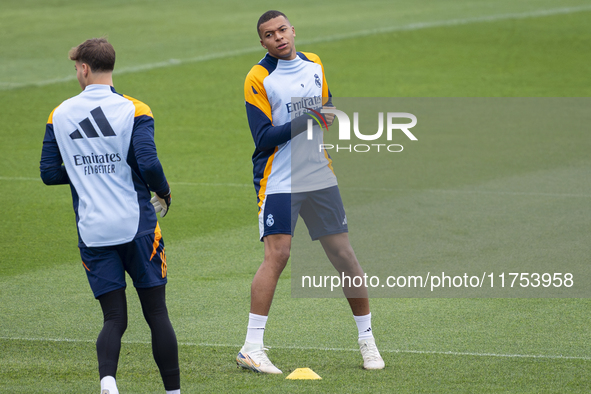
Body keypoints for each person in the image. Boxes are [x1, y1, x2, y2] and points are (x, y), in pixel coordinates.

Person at [236, 10, 385, 373]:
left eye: (282, 30)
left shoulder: (315, 63)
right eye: (270, 35)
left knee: (344, 256)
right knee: (279, 254)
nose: (279, 37)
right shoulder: (258, 77)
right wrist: (311, 119)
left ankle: (368, 342)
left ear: (293, 30)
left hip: (319, 175)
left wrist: (322, 116)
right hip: (279, 179)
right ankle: (251, 348)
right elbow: (263, 137)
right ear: (263, 42)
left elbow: (328, 106)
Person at [40, 38, 181, 394]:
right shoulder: (135, 109)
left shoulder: (59, 114)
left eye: (76, 68)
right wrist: (163, 192)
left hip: (93, 231)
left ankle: (108, 382)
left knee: (114, 318)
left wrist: (85, 171)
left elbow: (48, 172)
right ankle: (173, 392)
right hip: (137, 227)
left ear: (84, 68)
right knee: (157, 315)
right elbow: (147, 162)